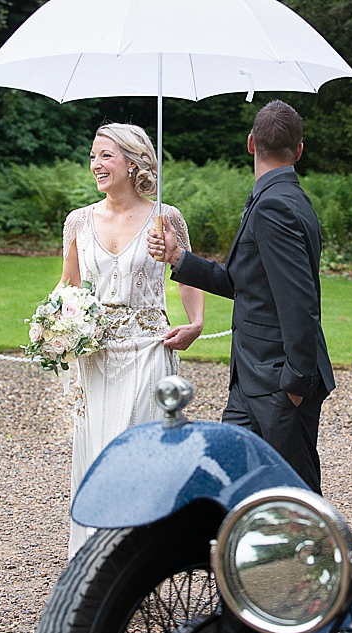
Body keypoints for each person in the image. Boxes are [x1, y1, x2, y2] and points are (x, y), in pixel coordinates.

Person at [146, 99, 334, 494]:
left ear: (250, 143)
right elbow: (245, 284)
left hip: (278, 381)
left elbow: (300, 302)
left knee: (295, 494)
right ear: (299, 150)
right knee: (231, 482)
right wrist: (179, 256)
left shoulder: (275, 206)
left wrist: (296, 384)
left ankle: (324, 555)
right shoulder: (278, 197)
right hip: (252, 380)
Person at [59, 122, 204, 557]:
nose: (96, 165)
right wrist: (54, 325)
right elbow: (67, 289)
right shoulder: (79, 222)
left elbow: (186, 271)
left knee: (138, 454)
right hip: (96, 359)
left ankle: (140, 560)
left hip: (149, 350)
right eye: (92, 156)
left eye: (105, 155)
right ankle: (96, 562)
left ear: (132, 160)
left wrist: (194, 322)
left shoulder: (165, 216)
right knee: (98, 453)